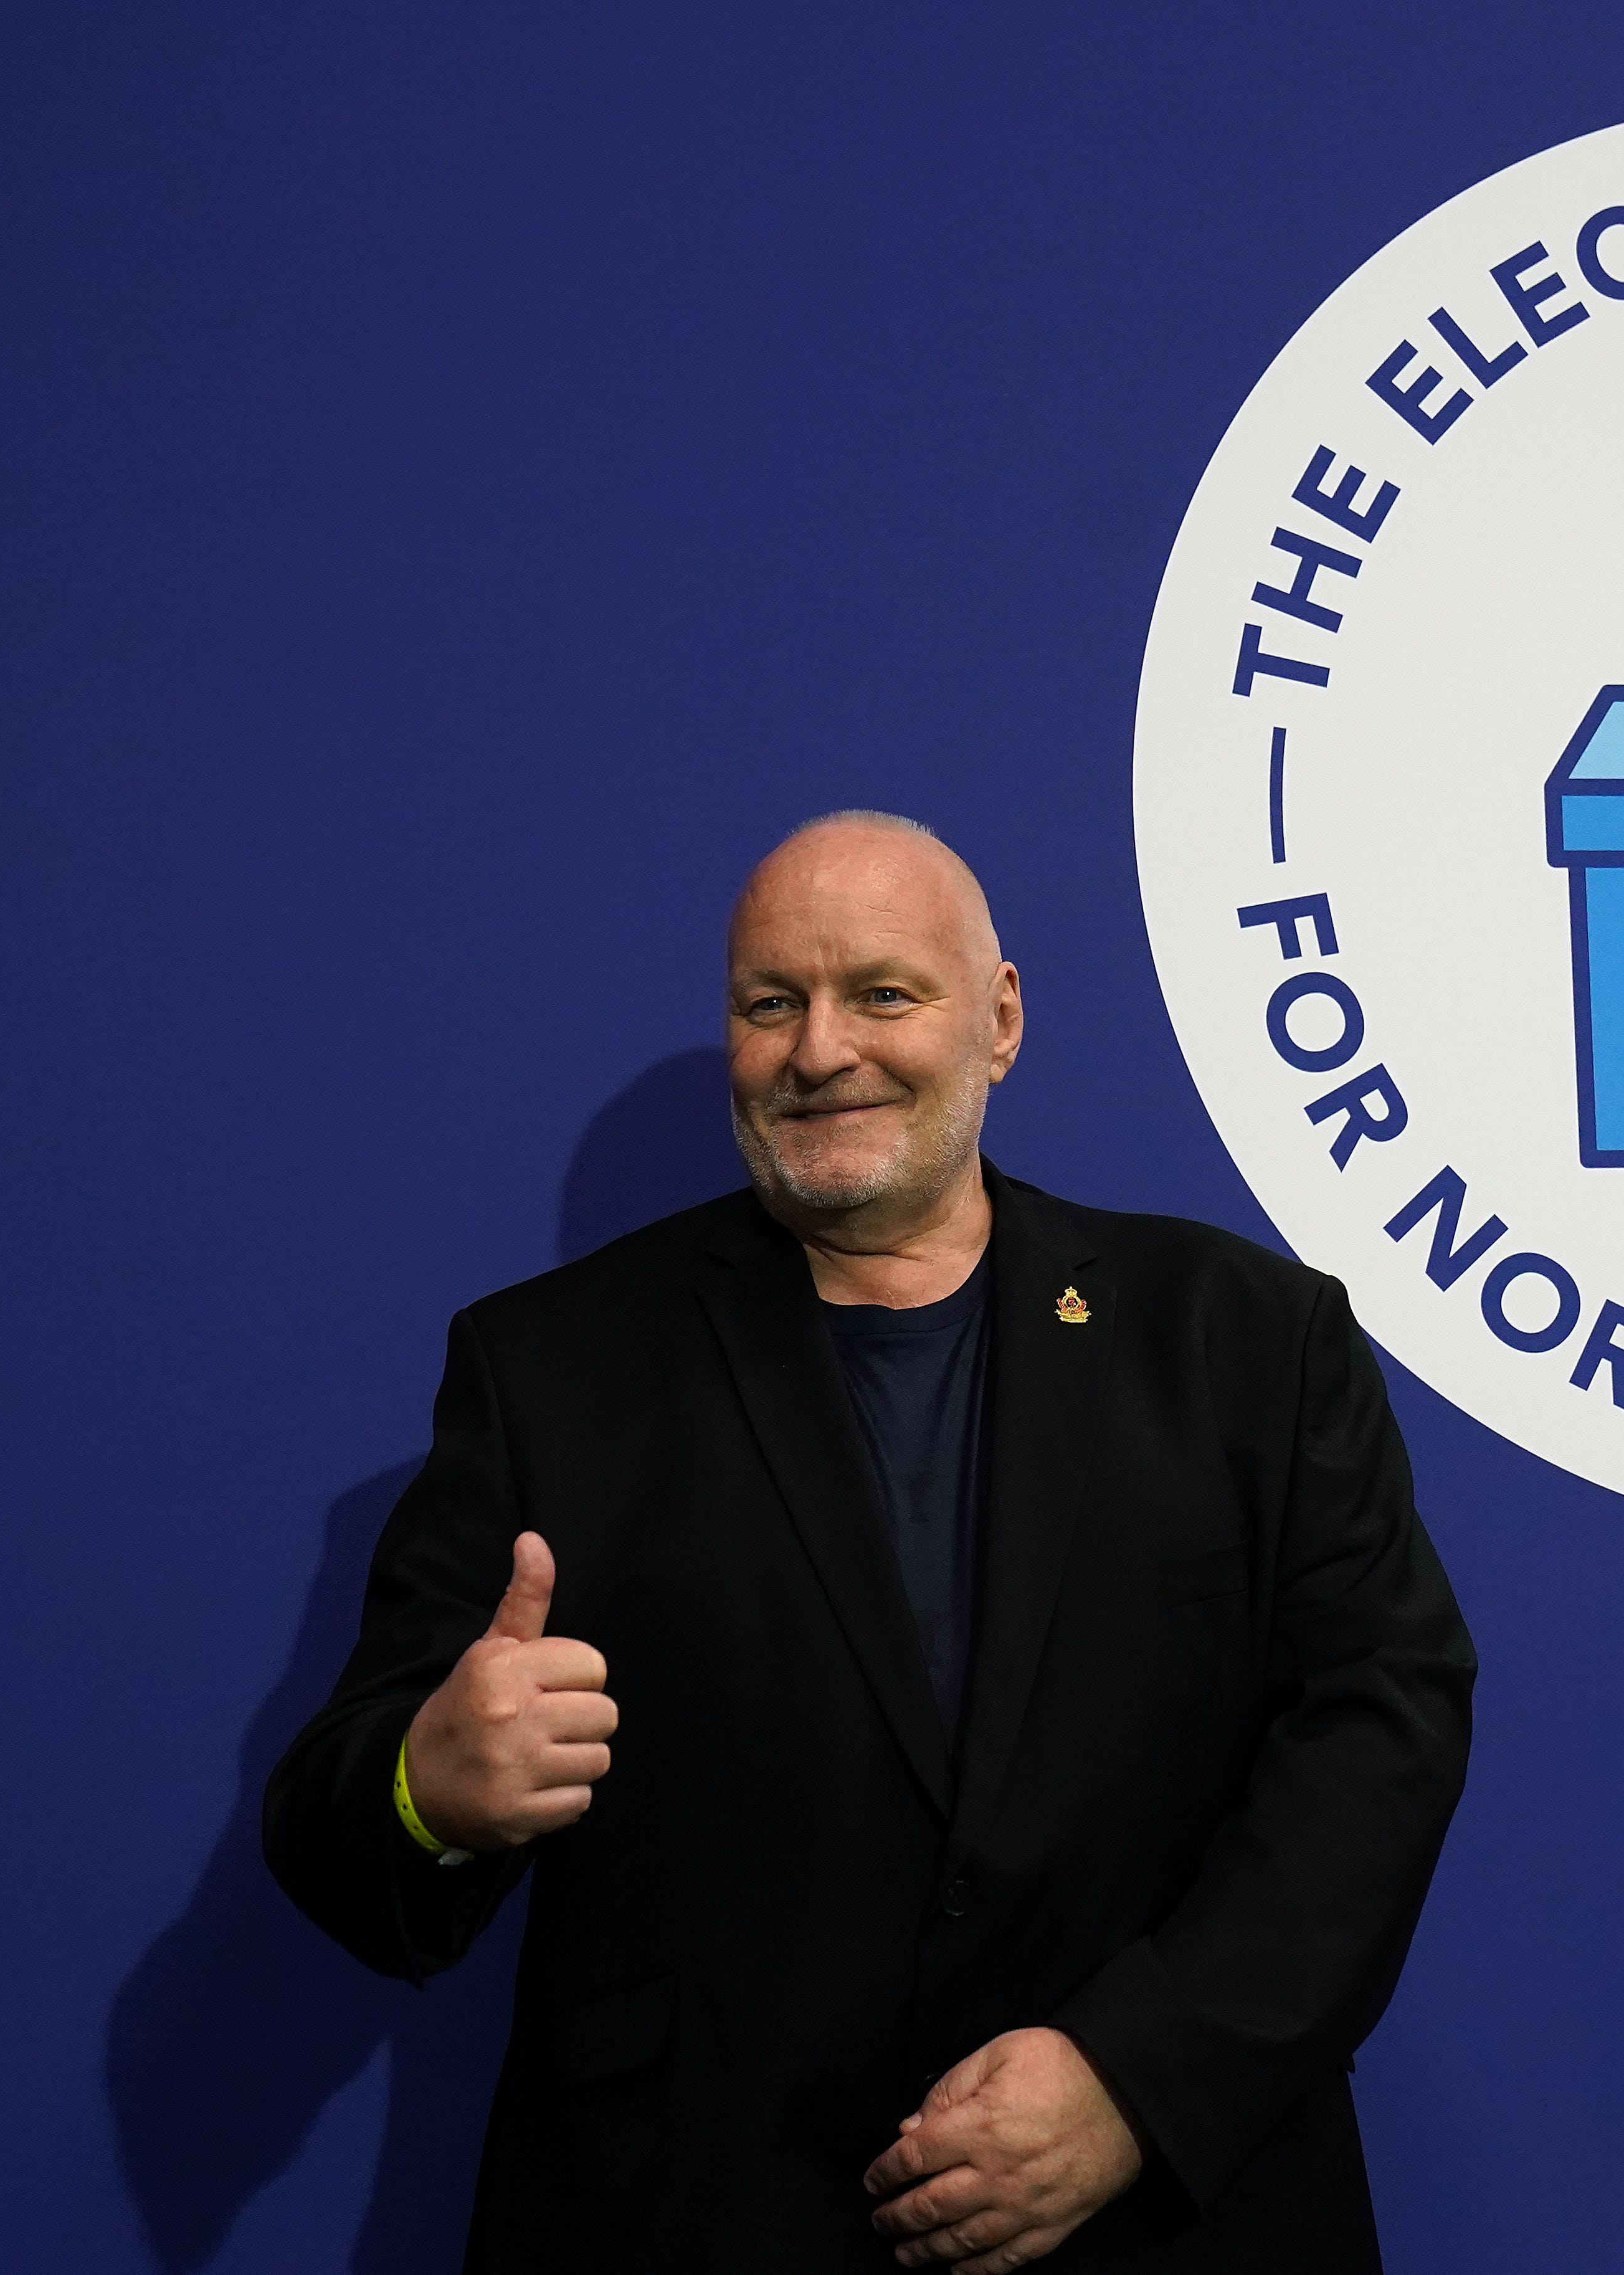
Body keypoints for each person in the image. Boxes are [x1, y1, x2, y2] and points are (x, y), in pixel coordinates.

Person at [265, 811, 1478, 2271]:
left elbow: (1381, 1736)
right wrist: (429, 1786)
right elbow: (336, 1820)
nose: (820, 1049)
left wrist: (1131, 2077)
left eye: (883, 994)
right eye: (771, 1003)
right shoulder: (552, 1369)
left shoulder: (1247, 1341)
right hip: (699, 2218)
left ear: (1002, 1017)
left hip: (1165, 2216)